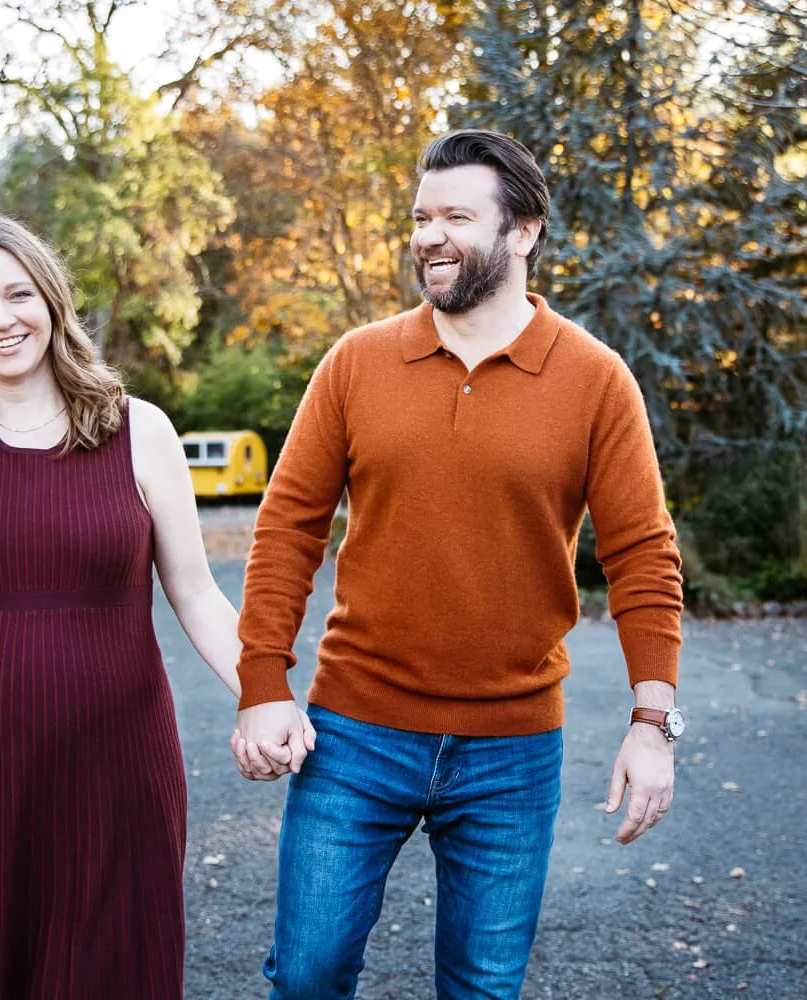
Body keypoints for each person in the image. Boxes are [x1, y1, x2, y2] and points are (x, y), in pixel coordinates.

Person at [231, 129, 686, 999]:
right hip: (354, 733)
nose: (429, 237)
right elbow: (288, 527)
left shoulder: (595, 379)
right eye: (420, 217)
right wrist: (262, 684)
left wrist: (651, 722)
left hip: (513, 751)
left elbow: (642, 557)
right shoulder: (356, 363)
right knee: (308, 977)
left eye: (456, 217)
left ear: (524, 231)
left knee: (482, 988)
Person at [0, 213, 271, 999]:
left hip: (115, 770)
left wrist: (265, 695)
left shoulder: (139, 430)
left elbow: (197, 593)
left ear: (52, 300)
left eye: (18, 295)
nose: (0, 319)